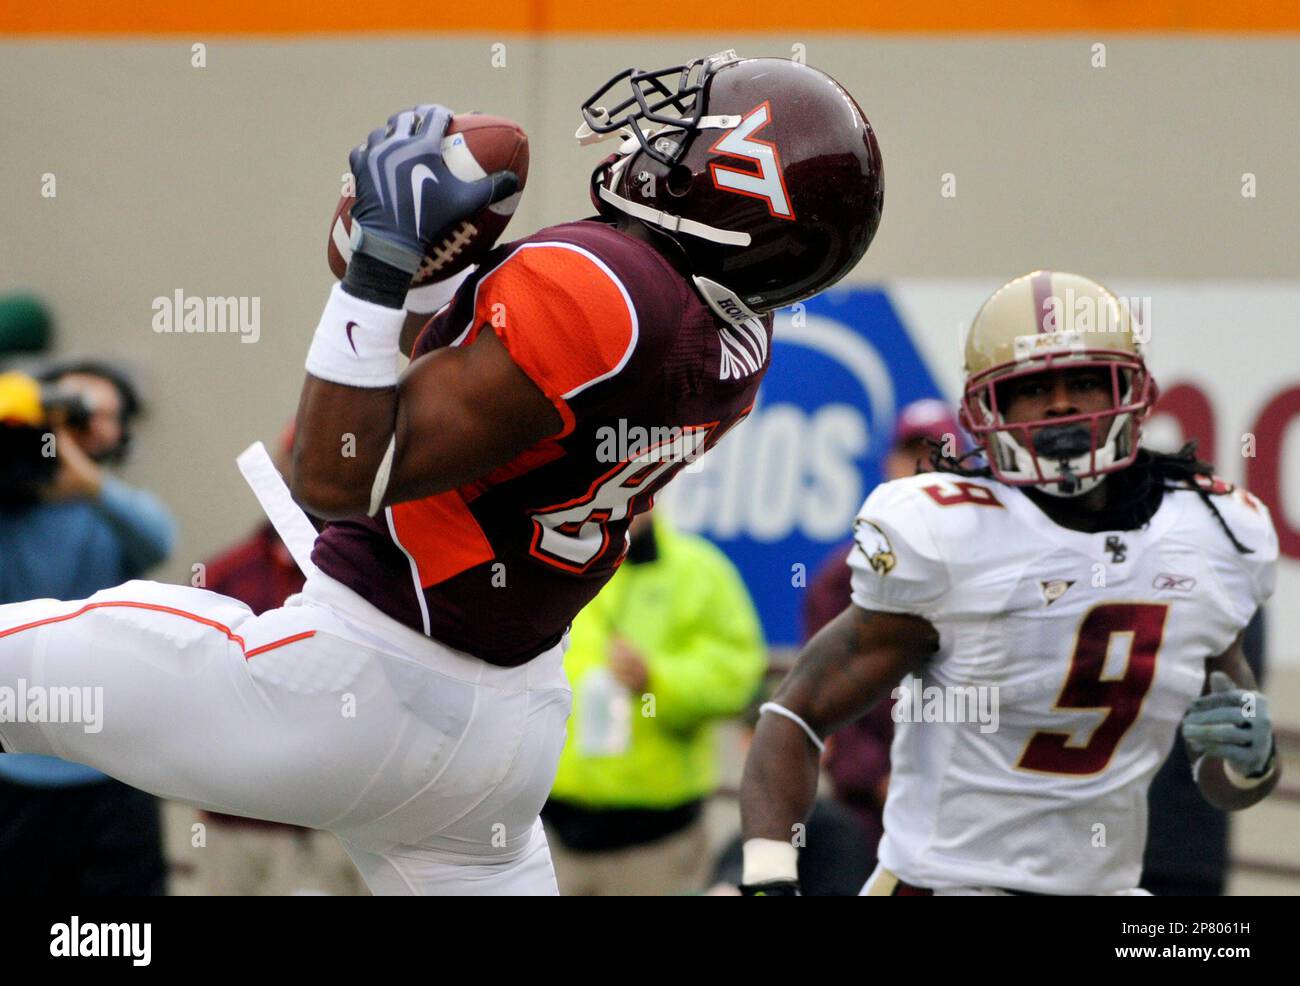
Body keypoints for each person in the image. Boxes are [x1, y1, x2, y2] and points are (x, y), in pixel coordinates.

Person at [0, 51, 884, 895]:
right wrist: (426, 285)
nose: (658, 135)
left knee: (26, 669)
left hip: (357, 684)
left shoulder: (602, 284)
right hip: (502, 738)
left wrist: (384, 260)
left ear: (740, 183)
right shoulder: (735, 341)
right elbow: (476, 414)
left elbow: (338, 471)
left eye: (692, 127)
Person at [739, 270, 1280, 896]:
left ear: (1128, 389)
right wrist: (769, 877)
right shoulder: (950, 538)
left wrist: (1252, 760)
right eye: (1032, 388)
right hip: (946, 885)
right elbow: (795, 714)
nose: (1059, 406)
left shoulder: (1209, 533)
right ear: (988, 408)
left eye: (1081, 381)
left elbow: (1224, 777)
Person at [0, 359, 176, 894]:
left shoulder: (114, 513)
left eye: (101, 416)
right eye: (70, 406)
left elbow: (160, 542)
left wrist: (91, 484)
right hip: (17, 768)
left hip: (113, 766)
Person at [542, 510, 766, 895]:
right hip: (550, 834)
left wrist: (656, 679)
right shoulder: (550, 563)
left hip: (657, 842)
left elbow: (739, 675)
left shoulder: (700, 570)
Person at [806, 399, 966, 864]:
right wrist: (880, 780)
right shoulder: (843, 578)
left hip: (971, 812)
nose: (921, 469)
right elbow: (827, 696)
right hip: (871, 817)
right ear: (888, 464)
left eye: (937, 454)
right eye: (909, 454)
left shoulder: (991, 567)